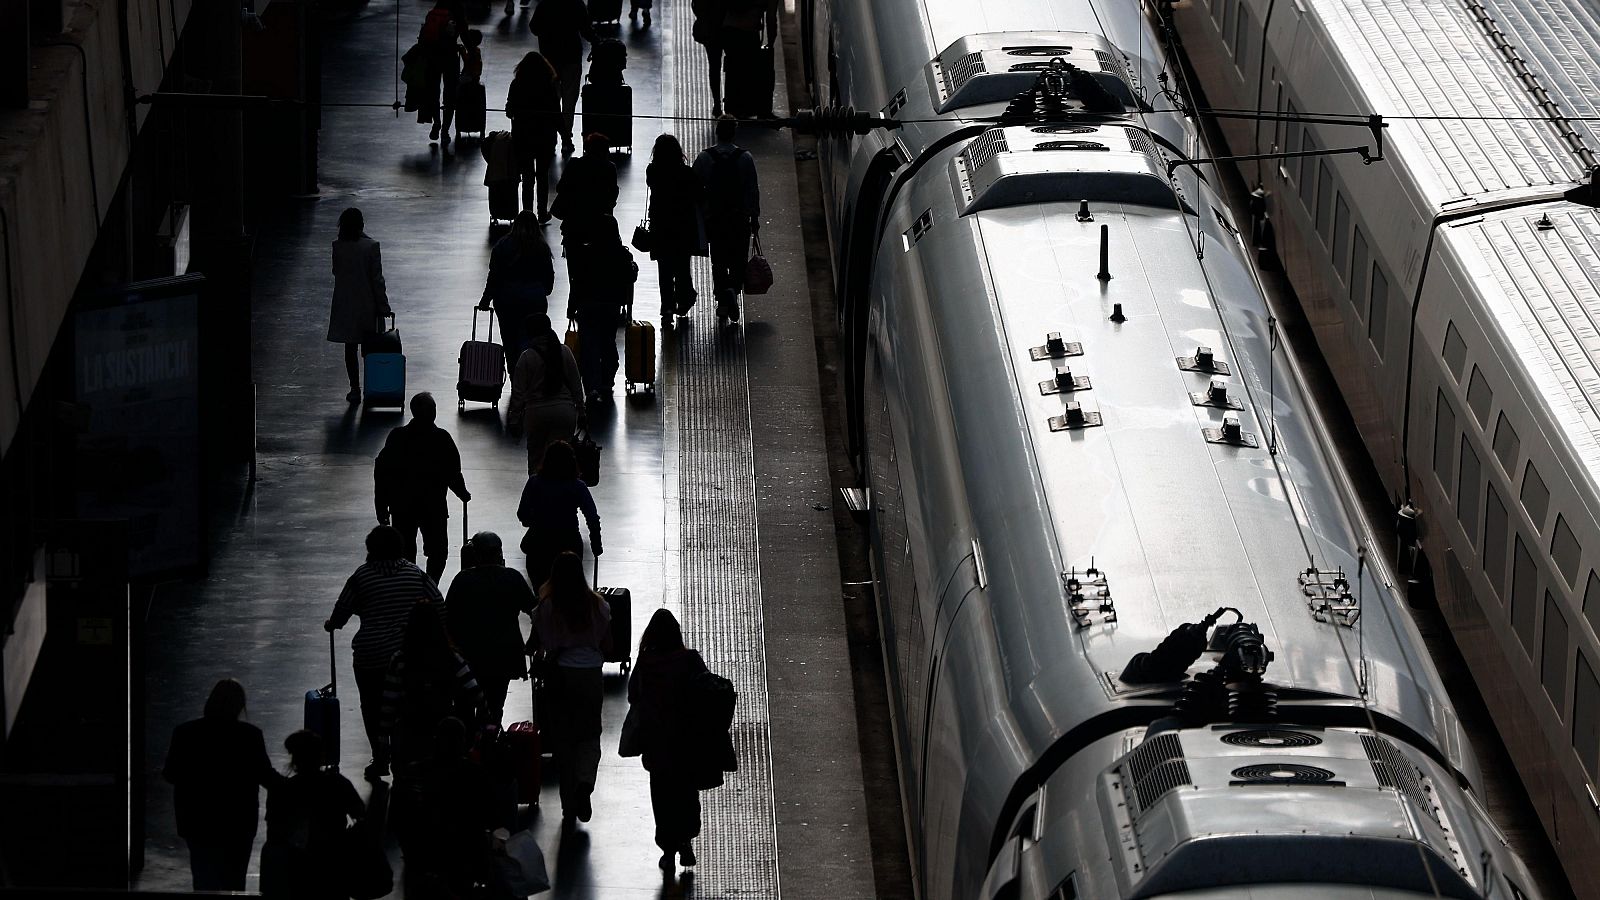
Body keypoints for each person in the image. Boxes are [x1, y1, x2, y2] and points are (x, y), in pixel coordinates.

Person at [326, 525, 445, 780]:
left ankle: (380, 756)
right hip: (407, 655)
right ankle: (405, 754)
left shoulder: (361, 577)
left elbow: (340, 614)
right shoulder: (415, 574)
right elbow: (438, 605)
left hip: (371, 656)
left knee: (371, 706)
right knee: (403, 705)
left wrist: (332, 624)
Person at [162, 679, 282, 891]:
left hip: (197, 819)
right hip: (238, 821)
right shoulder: (250, 735)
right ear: (239, 706)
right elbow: (266, 776)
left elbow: (171, 774)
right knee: (234, 879)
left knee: (202, 877)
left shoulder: (185, 733)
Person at [529, 551, 612, 825]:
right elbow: (608, 644)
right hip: (589, 674)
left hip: (560, 675)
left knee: (563, 740)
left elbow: (539, 641)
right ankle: (585, 783)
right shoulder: (597, 605)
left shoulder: (548, 606)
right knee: (589, 734)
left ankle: (568, 806)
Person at [627, 609, 710, 872]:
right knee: (686, 792)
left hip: (656, 742)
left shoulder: (647, 661)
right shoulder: (690, 659)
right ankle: (685, 840)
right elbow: (707, 689)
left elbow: (632, 694)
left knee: (661, 797)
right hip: (686, 741)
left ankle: (668, 849)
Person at [374, 392, 472, 581]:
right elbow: (452, 472)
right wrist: (462, 493)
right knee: (438, 551)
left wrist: (381, 505)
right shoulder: (442, 438)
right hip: (433, 507)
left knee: (404, 552)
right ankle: (429, 585)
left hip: (402, 507)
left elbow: (382, 473)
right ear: (432, 412)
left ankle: (409, 585)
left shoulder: (397, 437)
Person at [380, 600, 484, 773]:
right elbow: (476, 693)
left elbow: (388, 703)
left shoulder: (400, 659)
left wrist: (384, 740)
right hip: (443, 731)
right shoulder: (452, 658)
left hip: (410, 731)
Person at [261, 730, 366, 899]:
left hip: (295, 867)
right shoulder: (337, 784)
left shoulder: (283, 790)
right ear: (320, 756)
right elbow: (360, 815)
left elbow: (274, 834)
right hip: (332, 863)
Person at [445, 532, 537, 725]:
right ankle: (491, 740)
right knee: (495, 705)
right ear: (500, 553)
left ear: (475, 555)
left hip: (470, 656)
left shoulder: (462, 580)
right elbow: (536, 611)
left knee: (465, 708)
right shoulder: (512, 578)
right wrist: (534, 641)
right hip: (503, 656)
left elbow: (447, 619)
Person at [405, 717, 497, 895]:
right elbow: (491, 814)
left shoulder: (414, 774)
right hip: (466, 855)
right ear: (463, 742)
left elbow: (399, 817)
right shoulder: (474, 774)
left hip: (424, 854)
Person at [692, 116, 761, 321]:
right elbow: (752, 190)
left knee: (719, 260)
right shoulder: (745, 157)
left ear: (717, 131)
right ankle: (733, 288)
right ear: (734, 132)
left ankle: (722, 301)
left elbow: (695, 187)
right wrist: (754, 217)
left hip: (715, 218)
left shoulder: (705, 158)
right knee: (739, 259)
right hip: (739, 218)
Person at [565, 214, 636, 401]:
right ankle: (607, 379)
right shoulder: (620, 253)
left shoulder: (584, 253)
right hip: (610, 306)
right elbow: (629, 277)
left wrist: (571, 307)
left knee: (589, 346)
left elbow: (577, 282)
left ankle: (591, 386)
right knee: (608, 342)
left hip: (586, 306)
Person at [508, 313, 587, 473]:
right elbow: (576, 385)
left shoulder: (526, 357)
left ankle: (538, 494)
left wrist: (514, 419)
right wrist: (582, 412)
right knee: (561, 462)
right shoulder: (565, 352)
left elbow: (518, 394)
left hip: (536, 414)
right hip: (564, 412)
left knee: (536, 463)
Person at [327, 207, 391, 403]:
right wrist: (384, 306)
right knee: (372, 346)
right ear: (362, 224)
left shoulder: (338, 246)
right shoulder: (371, 246)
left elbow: (336, 271)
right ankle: (375, 386)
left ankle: (354, 388)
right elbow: (377, 280)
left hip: (345, 304)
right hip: (367, 305)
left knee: (350, 347)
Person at [516, 440, 602, 588]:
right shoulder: (578, 486)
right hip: (569, 544)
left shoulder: (534, 483)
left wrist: (536, 520)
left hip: (539, 544)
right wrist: (596, 542)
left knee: (541, 590)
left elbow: (522, 514)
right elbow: (592, 517)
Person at [480, 212, 556, 375]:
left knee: (510, 341)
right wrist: (543, 290)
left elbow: (494, 275)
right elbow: (549, 278)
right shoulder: (541, 247)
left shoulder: (502, 245)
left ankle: (517, 377)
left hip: (507, 301)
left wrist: (486, 299)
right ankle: (532, 375)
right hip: (534, 300)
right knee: (532, 339)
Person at [645, 133, 706, 322]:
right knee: (681, 266)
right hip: (682, 226)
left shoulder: (653, 171)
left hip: (660, 226)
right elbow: (699, 194)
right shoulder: (686, 173)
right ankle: (685, 297)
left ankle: (667, 308)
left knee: (664, 268)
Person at [529, 0, 597, 154]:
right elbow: (586, 29)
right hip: (571, 56)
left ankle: (550, 137)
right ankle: (566, 139)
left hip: (549, 58)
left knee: (550, 100)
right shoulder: (576, 3)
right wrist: (596, 41)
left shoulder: (545, 4)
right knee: (569, 100)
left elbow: (534, 27)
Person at [505, 51, 562, 218]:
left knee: (527, 178)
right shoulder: (549, 86)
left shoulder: (516, 84)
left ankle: (527, 213)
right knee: (543, 177)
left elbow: (509, 111)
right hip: (545, 137)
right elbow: (556, 113)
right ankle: (542, 212)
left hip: (523, 137)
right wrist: (565, 135)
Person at [551, 132, 620, 257]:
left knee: (574, 264)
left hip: (574, 224)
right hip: (600, 225)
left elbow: (560, 188)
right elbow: (612, 196)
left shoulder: (574, 164)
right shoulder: (609, 168)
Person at [418, 0, 464, 146]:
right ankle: (445, 131)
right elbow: (464, 33)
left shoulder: (433, 13)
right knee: (450, 95)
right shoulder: (456, 12)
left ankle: (436, 123)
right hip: (450, 58)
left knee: (434, 92)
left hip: (432, 57)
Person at [690, 0, 728, 116]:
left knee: (714, 67)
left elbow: (696, 6)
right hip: (728, 27)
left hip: (709, 31)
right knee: (733, 64)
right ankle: (730, 100)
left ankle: (717, 103)